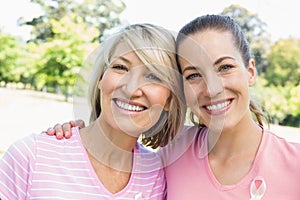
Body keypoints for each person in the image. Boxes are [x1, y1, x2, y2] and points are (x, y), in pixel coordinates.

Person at [46, 15, 300, 199]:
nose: (211, 89)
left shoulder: (295, 164)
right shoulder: (172, 150)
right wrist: (74, 135)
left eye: (225, 67)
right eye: (193, 75)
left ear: (250, 71)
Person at [0, 23, 186, 200]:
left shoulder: (155, 175)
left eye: (153, 76)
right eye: (120, 67)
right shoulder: (31, 155)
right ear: (101, 79)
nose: (130, 89)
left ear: (170, 99)